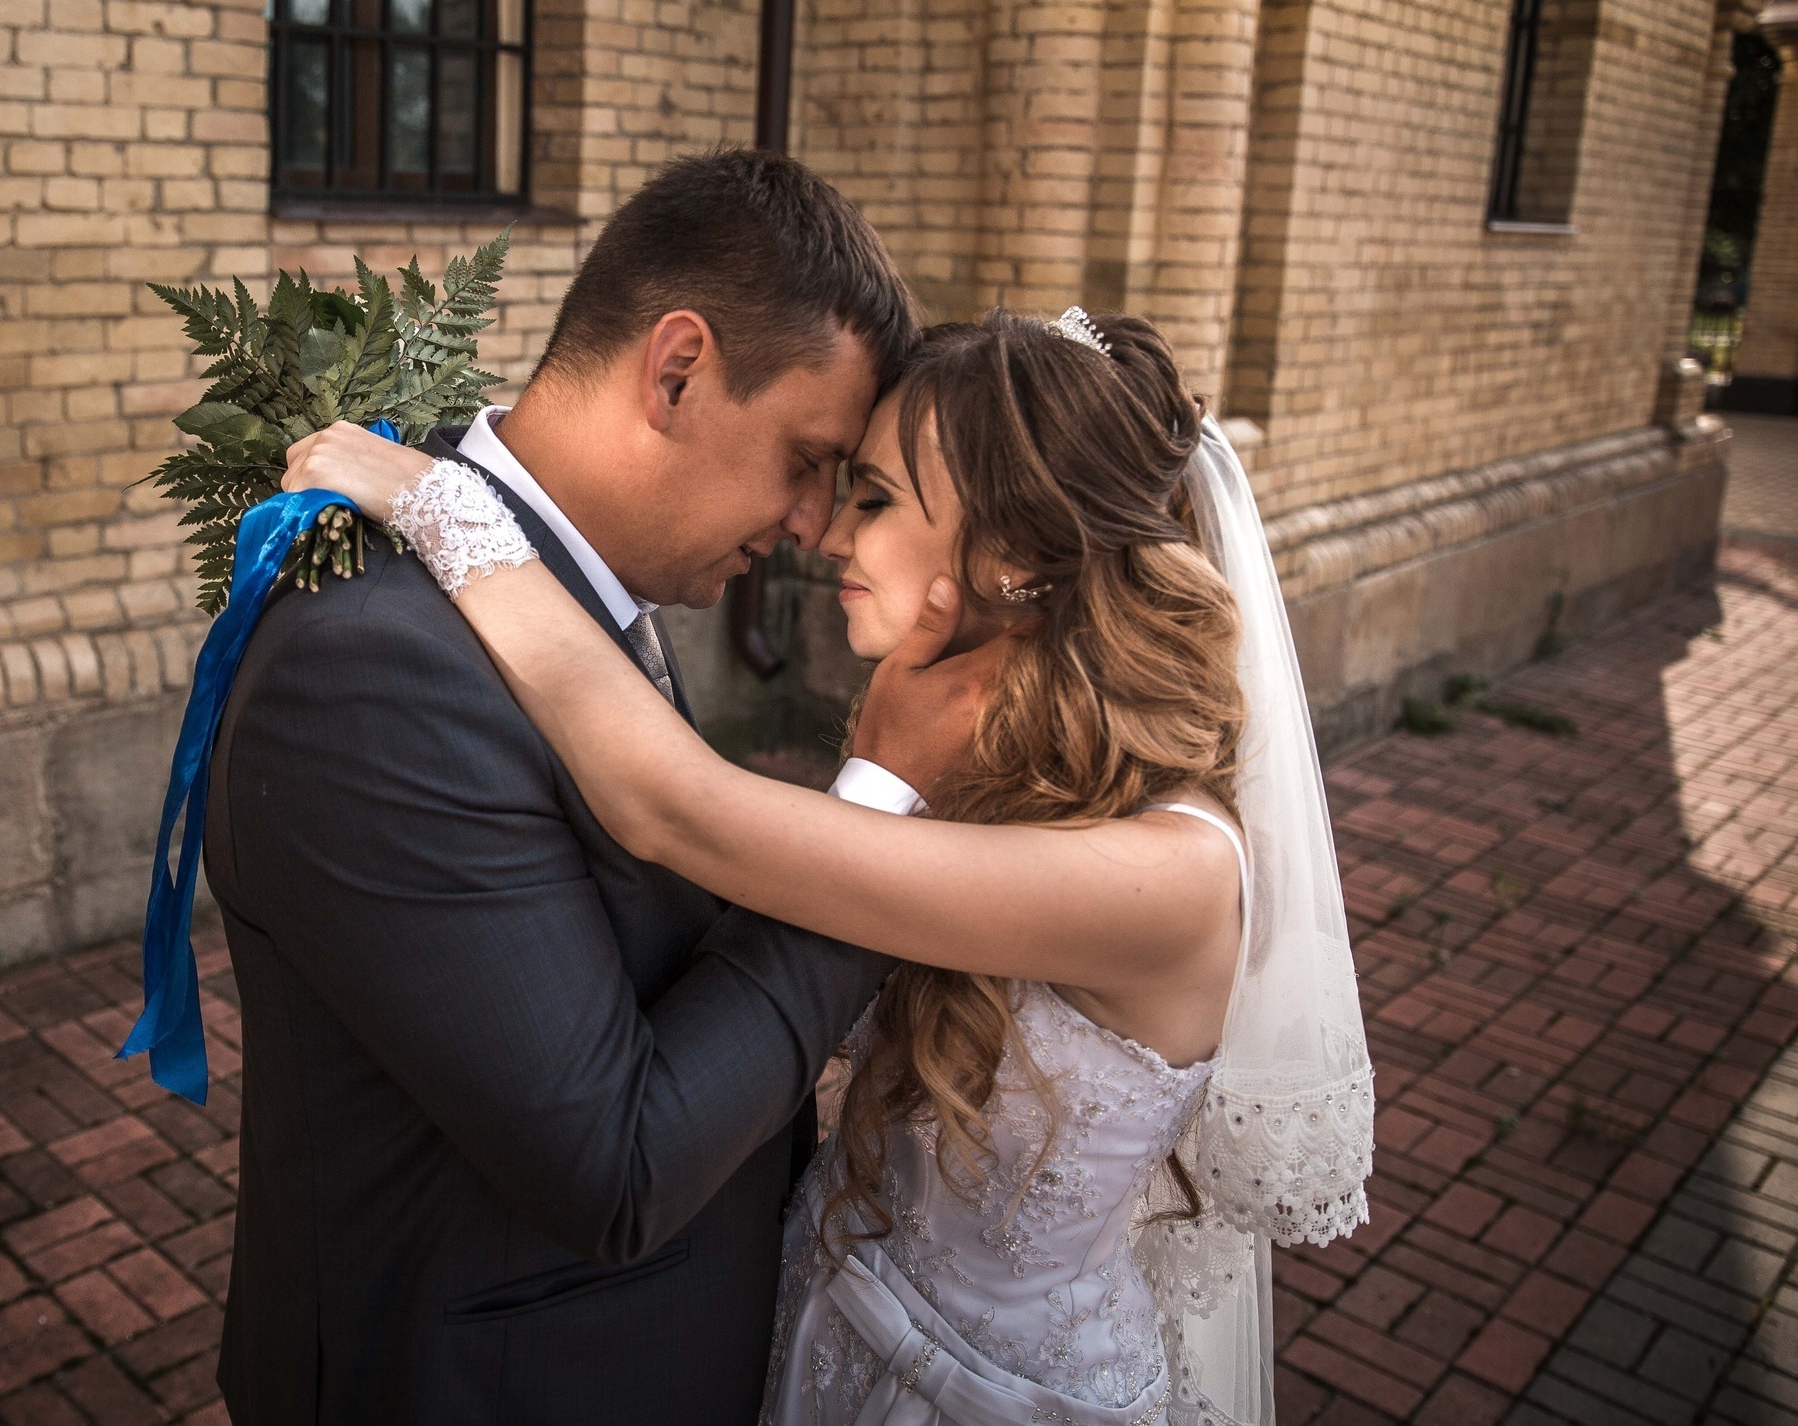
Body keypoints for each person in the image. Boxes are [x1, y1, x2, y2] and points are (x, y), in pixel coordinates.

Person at [283, 307, 1374, 1426]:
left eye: (874, 496)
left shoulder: (1166, 877)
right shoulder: (990, 777)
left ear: (1014, 553)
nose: (826, 534)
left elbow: (676, 808)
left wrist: (445, 504)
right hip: (827, 1328)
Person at [202, 149, 927, 1425]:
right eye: (807, 458)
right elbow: (618, 1161)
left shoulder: (554, 571)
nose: (816, 524)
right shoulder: (373, 674)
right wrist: (883, 822)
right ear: (678, 370)